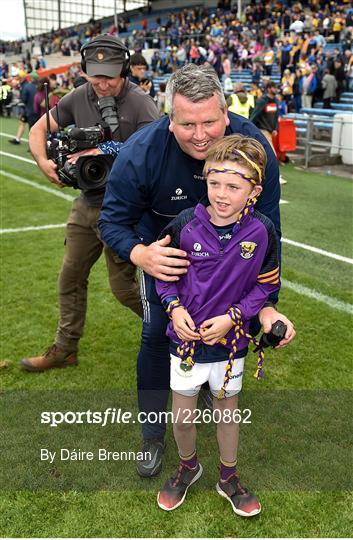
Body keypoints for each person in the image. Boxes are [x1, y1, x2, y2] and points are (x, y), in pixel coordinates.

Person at [99, 63, 296, 478]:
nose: (201, 134)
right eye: (188, 124)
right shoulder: (142, 152)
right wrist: (141, 256)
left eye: (210, 121)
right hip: (167, 262)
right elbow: (111, 221)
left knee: (225, 329)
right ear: (170, 121)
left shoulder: (253, 147)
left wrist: (266, 308)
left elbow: (270, 235)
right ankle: (152, 436)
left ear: (226, 114)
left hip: (230, 267)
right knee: (155, 335)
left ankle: (209, 387)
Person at [155, 134, 280, 517]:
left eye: (233, 186)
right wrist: (174, 308)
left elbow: (267, 285)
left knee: (228, 410)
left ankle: (228, 476)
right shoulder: (184, 224)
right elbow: (163, 274)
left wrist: (233, 318)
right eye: (214, 183)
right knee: (182, 415)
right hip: (186, 342)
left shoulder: (262, 232)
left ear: (254, 190)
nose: (221, 194)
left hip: (231, 345)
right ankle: (189, 466)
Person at [20, 35, 159, 372]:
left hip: (124, 209)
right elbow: (38, 130)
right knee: (70, 277)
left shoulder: (141, 103)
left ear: (124, 69)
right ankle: (65, 349)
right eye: (96, 74)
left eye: (110, 74)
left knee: (124, 289)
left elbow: (157, 151)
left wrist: (106, 150)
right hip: (86, 202)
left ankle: (176, 330)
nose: (102, 81)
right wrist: (43, 162)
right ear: (84, 71)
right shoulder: (78, 96)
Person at [8, 71, 39, 145]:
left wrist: (20, 98)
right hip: (34, 109)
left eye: (18, 75)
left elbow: (24, 99)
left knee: (32, 127)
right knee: (22, 122)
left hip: (29, 109)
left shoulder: (27, 85)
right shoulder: (34, 85)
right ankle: (18, 139)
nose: (16, 77)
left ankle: (32, 144)